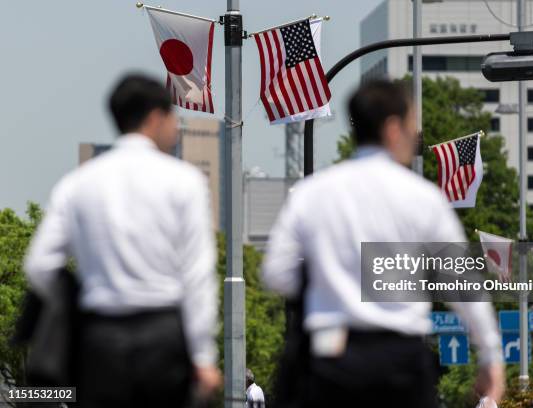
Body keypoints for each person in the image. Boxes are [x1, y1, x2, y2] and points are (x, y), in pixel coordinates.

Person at [262, 79, 505, 407]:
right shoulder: (423, 198)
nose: (415, 134)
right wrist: (490, 355)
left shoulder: (313, 193)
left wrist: (328, 285)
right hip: (400, 359)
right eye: (411, 125)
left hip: (329, 356)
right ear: (392, 129)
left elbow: (276, 273)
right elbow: (464, 284)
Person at [24, 74, 221, 407]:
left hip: (99, 338)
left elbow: (39, 265)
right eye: (174, 117)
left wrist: (78, 296)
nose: (177, 127)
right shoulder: (185, 181)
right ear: (155, 117)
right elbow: (197, 275)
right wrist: (203, 354)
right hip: (163, 334)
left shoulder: (78, 183)